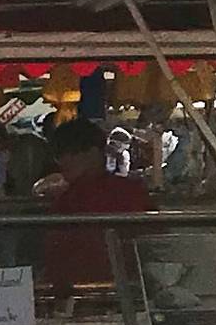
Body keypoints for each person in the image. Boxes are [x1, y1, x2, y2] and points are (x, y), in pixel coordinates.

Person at [38, 118, 151, 301]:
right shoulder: (133, 190)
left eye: (69, 153)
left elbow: (55, 257)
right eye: (59, 155)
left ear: (93, 153)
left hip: (81, 295)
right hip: (133, 293)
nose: (62, 162)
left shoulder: (68, 200)